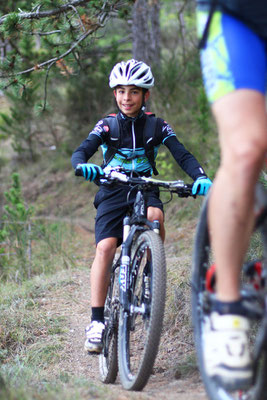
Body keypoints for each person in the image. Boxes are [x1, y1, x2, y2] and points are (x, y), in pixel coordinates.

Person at [71, 59, 212, 354]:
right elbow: (83, 149)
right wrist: (83, 165)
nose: (126, 98)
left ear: (145, 95)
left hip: (146, 186)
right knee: (106, 247)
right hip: (112, 189)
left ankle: (152, 271)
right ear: (114, 94)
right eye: (121, 91)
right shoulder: (107, 124)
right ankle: (97, 321)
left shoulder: (157, 125)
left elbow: (181, 153)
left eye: (134, 92)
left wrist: (199, 177)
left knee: (156, 214)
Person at [196, 0, 267, 391]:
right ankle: (227, 308)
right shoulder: (111, 126)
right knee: (246, 148)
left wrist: (193, 174)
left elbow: (180, 153)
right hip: (237, 14)